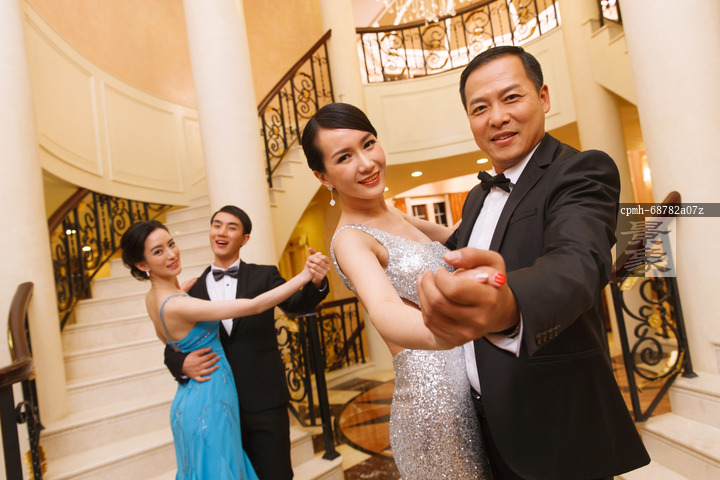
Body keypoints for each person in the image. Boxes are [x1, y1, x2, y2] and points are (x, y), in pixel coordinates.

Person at [408, 46, 650, 479]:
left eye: (511, 98)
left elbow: (577, 263)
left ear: (543, 97)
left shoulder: (580, 170)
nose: (497, 117)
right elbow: (462, 248)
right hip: (484, 424)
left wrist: (509, 304)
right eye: (480, 108)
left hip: (556, 426)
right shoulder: (478, 196)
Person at [301, 102, 510, 479]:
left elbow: (460, 241)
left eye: (368, 144)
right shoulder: (351, 239)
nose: (366, 163)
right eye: (344, 157)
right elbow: (385, 308)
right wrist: (450, 330)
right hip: (435, 404)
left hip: (472, 383)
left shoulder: (394, 215)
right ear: (323, 176)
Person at [120, 220, 323, 479]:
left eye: (171, 244)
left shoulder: (157, 298)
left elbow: (169, 339)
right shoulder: (180, 301)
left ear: (245, 238)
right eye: (158, 251)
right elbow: (255, 306)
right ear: (142, 264)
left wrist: (178, 295)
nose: (171, 254)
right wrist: (304, 275)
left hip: (219, 397)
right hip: (209, 400)